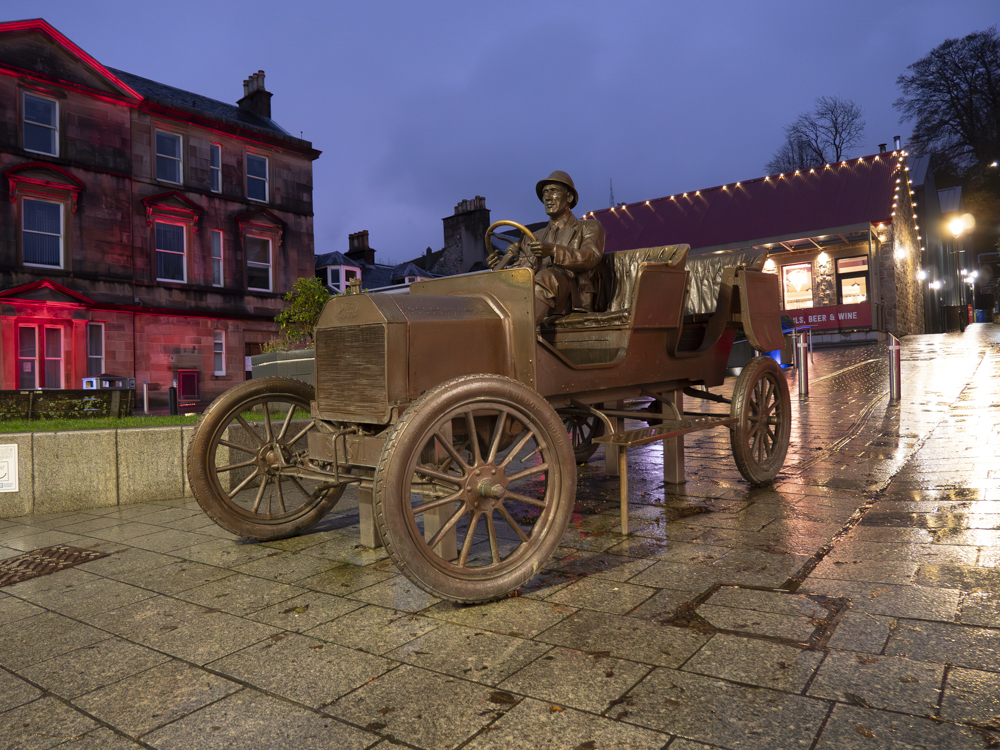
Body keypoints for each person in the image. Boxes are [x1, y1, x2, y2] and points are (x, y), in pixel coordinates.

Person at [490, 171, 605, 326]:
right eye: (545, 192)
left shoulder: (589, 227)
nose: (547, 197)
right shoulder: (532, 237)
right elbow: (522, 272)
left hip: (572, 295)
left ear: (569, 197)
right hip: (534, 294)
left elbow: (590, 256)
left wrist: (553, 251)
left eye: (554, 191)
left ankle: (519, 331)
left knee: (548, 276)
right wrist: (500, 267)